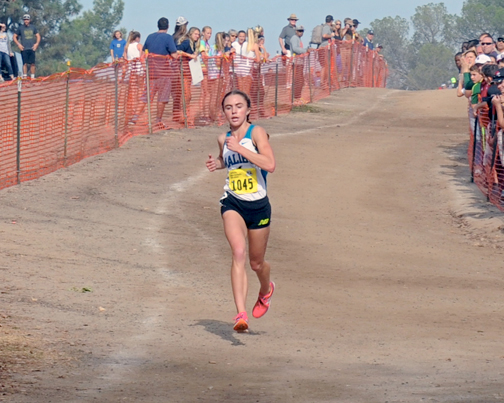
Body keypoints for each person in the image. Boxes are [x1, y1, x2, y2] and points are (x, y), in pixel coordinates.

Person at [205, 90, 276, 332]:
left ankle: (266, 290)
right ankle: (240, 314)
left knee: (256, 264)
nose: (234, 111)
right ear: (224, 112)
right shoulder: (222, 138)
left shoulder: (256, 133)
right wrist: (217, 163)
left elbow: (270, 164)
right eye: (228, 107)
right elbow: (226, 160)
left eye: (238, 106)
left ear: (248, 110)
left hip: (258, 205)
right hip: (233, 202)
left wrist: (240, 148)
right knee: (238, 252)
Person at [132, 17, 179, 129]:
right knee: (162, 98)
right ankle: (158, 120)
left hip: (151, 73)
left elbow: (143, 53)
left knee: (146, 96)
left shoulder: (150, 37)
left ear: (158, 26)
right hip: (164, 73)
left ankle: (134, 118)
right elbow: (174, 55)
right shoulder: (168, 38)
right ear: (168, 26)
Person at [13, 14, 40, 79]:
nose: (26, 21)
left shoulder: (33, 27)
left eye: (27, 19)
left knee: (32, 63)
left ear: (29, 20)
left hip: (32, 48)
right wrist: (18, 44)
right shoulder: (20, 28)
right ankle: (25, 76)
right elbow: (14, 37)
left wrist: (36, 44)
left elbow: (38, 36)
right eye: (25, 20)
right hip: (24, 48)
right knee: (24, 63)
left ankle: (32, 77)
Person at [290, 26, 308, 101]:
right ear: (296, 31)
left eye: (302, 31)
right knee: (298, 80)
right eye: (300, 31)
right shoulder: (294, 38)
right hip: (296, 62)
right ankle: (296, 97)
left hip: (300, 62)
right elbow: (295, 48)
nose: (301, 32)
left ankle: (298, 96)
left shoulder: (298, 39)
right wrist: (305, 50)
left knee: (300, 80)